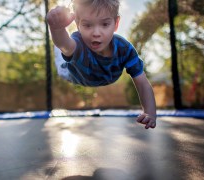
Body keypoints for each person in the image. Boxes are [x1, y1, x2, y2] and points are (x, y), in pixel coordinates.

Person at [46, 0, 156, 129]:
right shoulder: (78, 43)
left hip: (101, 76)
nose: (96, 33)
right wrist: (57, 28)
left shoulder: (124, 49)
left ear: (116, 23)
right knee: (62, 49)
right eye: (87, 25)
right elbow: (65, 45)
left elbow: (142, 82)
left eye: (105, 24)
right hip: (71, 73)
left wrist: (150, 112)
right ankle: (57, 42)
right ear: (77, 25)